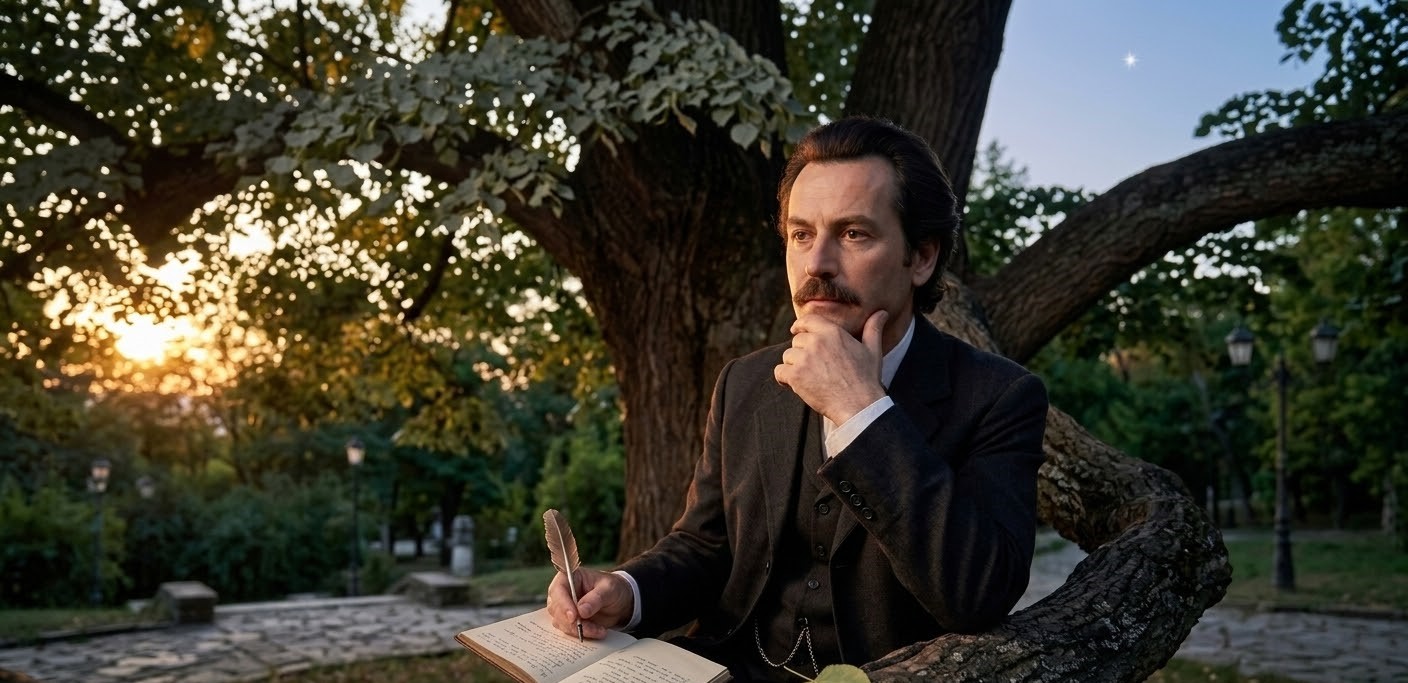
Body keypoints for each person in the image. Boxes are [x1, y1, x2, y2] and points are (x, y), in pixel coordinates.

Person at [547, 116, 1048, 681]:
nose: (817, 264)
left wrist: (861, 410)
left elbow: (979, 594)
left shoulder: (1000, 397)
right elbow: (705, 546)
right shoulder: (744, 382)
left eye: (853, 234)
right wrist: (626, 590)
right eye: (801, 234)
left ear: (922, 257)